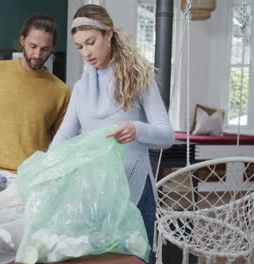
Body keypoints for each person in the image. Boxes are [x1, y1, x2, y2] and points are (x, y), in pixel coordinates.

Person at [50, 4, 174, 257]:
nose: (86, 52)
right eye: (80, 46)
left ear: (108, 34)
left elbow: (166, 135)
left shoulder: (140, 78)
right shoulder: (82, 88)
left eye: (91, 42)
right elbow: (64, 135)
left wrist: (136, 129)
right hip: (95, 195)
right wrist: (46, 165)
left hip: (136, 194)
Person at [0, 14, 71, 192]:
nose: (37, 54)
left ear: (53, 48)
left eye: (45, 49)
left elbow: (63, 144)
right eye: (33, 46)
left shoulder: (61, 91)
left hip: (34, 183)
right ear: (22, 40)